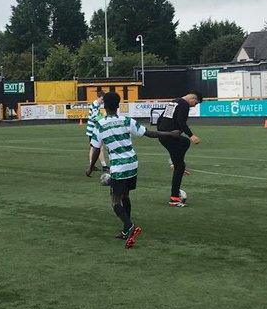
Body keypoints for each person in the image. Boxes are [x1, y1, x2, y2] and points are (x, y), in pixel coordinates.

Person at [86, 92, 181, 248]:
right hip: (132, 163)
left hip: (118, 166)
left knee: (115, 200)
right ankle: (125, 231)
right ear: (118, 105)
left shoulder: (100, 125)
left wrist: (90, 168)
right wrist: (170, 133)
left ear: (104, 106)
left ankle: (130, 226)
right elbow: (149, 133)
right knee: (125, 196)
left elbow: (96, 149)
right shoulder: (127, 120)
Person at [155, 92, 200, 206]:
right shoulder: (184, 104)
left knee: (183, 144)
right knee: (180, 165)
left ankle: (176, 163)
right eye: (195, 103)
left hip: (163, 135)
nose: (194, 106)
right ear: (192, 98)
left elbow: (160, 118)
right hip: (170, 136)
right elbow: (181, 122)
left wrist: (160, 131)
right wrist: (191, 135)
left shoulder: (174, 101)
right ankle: (174, 197)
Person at [85, 87, 108, 172]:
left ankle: (97, 165)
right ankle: (99, 165)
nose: (102, 102)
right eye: (102, 99)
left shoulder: (96, 105)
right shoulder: (95, 105)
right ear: (99, 97)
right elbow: (94, 118)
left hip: (93, 130)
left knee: (96, 147)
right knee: (97, 148)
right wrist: (103, 116)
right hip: (92, 130)